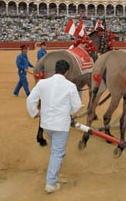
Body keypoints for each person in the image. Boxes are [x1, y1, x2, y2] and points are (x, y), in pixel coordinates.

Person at [26, 59, 82, 194]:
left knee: (56, 150)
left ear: (55, 69)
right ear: (67, 72)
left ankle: (54, 175)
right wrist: (67, 112)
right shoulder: (70, 86)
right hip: (61, 125)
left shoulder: (43, 83)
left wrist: (35, 113)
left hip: (46, 124)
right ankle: (51, 182)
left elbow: (30, 100)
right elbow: (77, 106)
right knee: (57, 153)